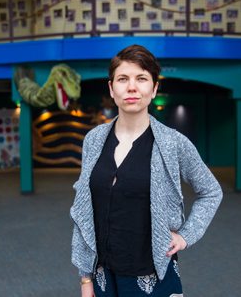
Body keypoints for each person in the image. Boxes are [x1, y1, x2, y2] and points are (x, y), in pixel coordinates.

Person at [70, 45, 223, 296]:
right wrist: (85, 279)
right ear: (111, 88)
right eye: (123, 79)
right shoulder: (94, 140)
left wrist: (186, 235)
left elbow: (211, 191)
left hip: (153, 276)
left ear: (154, 89)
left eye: (141, 78)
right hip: (102, 276)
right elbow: (83, 210)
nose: (132, 87)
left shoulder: (174, 143)